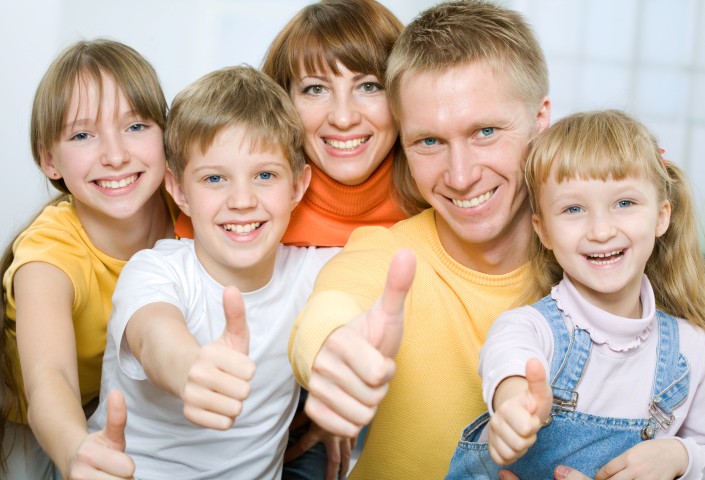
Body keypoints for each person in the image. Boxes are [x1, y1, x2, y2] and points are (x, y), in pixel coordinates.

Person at [288, 1, 552, 478]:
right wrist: (336, 353)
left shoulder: (597, 255)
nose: (460, 175)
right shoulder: (385, 252)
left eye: (485, 132)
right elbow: (331, 308)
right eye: (428, 142)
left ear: (540, 120)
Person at [173, 1, 408, 477]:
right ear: (281, 99)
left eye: (368, 86)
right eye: (316, 89)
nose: (343, 117)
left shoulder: (429, 192)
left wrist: (337, 402)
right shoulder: (246, 201)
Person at [87, 65, 340, 479]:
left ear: (297, 186)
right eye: (215, 178)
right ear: (179, 190)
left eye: (264, 175)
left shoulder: (317, 273)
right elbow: (154, 336)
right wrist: (192, 370)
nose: (242, 200)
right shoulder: (156, 269)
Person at [446, 110, 705, 479]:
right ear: (544, 231)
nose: (600, 230)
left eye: (624, 203)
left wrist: (682, 456)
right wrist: (515, 406)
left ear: (661, 216)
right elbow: (508, 359)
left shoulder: (691, 349)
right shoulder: (532, 328)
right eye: (573, 209)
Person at [0, 39, 174, 479]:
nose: (115, 155)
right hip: (30, 417)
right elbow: (50, 378)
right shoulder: (48, 255)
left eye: (136, 127)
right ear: (49, 159)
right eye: (82, 135)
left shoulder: (188, 209)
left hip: (108, 397)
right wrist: (76, 448)